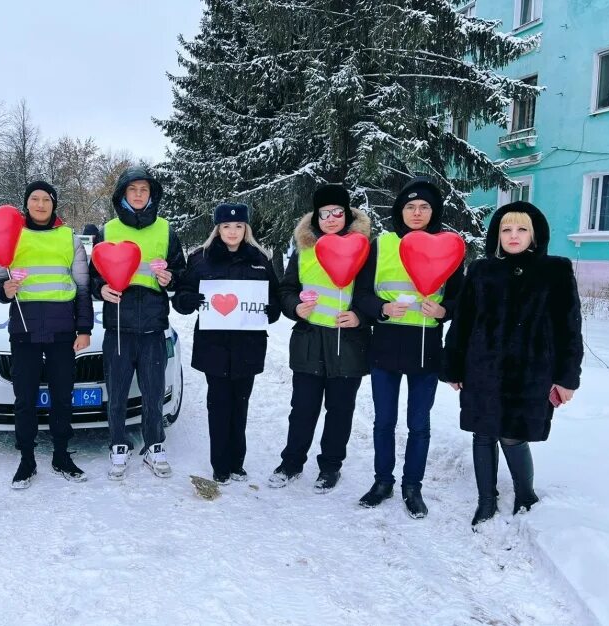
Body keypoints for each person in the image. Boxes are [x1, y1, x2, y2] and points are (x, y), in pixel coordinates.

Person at [441, 201, 583, 527]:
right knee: (482, 434)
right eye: (506, 229)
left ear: (534, 235)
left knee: (513, 436)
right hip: (482, 370)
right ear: (497, 235)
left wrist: (566, 378)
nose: (513, 235)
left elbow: (569, 330)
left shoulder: (555, 270)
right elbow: (462, 323)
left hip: (531, 373)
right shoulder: (481, 270)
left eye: (522, 229)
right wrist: (454, 366)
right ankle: (486, 501)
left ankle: (525, 494)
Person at [353, 177, 463, 518]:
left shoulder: (450, 247)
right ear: (400, 210)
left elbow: (462, 300)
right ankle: (382, 482)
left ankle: (412, 487)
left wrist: (445, 311)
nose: (417, 213)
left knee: (419, 424)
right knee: (384, 421)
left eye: (425, 207)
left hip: (426, 349)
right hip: (385, 346)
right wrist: (381, 309)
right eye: (410, 206)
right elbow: (361, 294)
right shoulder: (381, 244)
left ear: (434, 212)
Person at [267, 184, 372, 494]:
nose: (330, 218)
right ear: (316, 216)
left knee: (340, 411)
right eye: (324, 213)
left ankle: (330, 467)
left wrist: (360, 317)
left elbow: (373, 294)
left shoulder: (365, 249)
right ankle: (291, 462)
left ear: (347, 214)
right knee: (302, 408)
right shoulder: (304, 250)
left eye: (337, 212)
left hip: (348, 344)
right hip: (309, 342)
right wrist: (296, 307)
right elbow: (286, 290)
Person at [0, 181, 94, 489]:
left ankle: (61, 454)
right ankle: (27, 460)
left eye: (45, 199)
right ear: (26, 204)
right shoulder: (11, 237)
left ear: (53, 203)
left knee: (62, 397)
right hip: (24, 330)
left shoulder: (69, 238)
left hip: (63, 331)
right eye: (33, 199)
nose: (39, 204)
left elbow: (84, 288)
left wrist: (84, 329)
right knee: (25, 399)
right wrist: (3, 290)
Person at [172, 203, 281, 484]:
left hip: (248, 345)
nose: (232, 231)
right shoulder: (201, 259)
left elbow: (275, 298)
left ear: (246, 229)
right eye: (226, 226)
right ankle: (220, 464)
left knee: (240, 405)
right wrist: (187, 300)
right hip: (214, 346)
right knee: (219, 404)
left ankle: (237, 462)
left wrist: (272, 310)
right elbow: (181, 296)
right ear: (217, 229)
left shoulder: (260, 259)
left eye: (238, 226)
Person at [89, 167, 186, 480]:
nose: (139, 195)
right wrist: (100, 289)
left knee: (154, 393)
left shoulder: (166, 230)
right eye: (133, 190)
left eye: (144, 190)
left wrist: (171, 278)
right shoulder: (107, 231)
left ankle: (154, 446)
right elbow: (93, 276)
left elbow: (181, 275)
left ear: (151, 194)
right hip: (118, 327)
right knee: (116, 393)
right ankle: (118, 445)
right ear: (123, 195)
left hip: (154, 327)